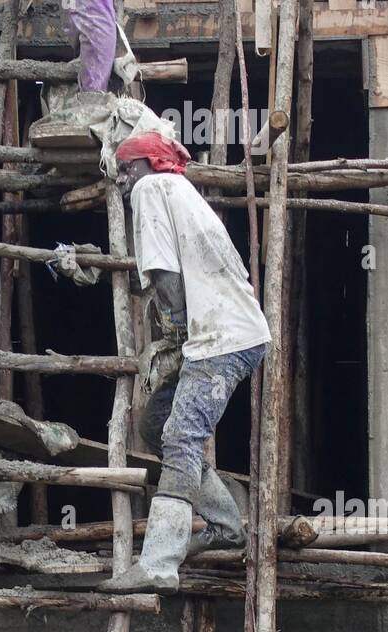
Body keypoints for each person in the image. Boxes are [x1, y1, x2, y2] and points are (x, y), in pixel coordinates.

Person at [100, 131, 271, 595]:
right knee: (157, 424)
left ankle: (159, 562)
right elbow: (170, 273)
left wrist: (174, 337)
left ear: (146, 166)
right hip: (227, 331)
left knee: (181, 436)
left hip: (220, 336)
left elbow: (168, 277)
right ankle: (226, 527)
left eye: (125, 168)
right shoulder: (179, 191)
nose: (120, 179)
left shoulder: (150, 190)